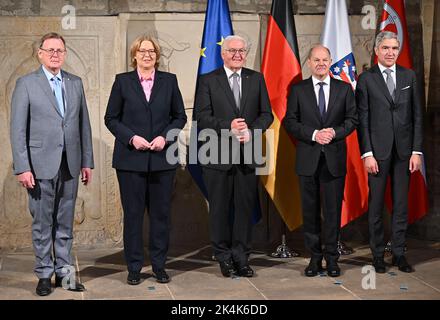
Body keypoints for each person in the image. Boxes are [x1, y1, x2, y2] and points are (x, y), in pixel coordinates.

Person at [10, 32, 94, 296]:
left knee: (65, 223)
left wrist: (87, 162)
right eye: (50, 50)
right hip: (38, 166)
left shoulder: (75, 83)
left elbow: (83, 125)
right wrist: (23, 166)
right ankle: (44, 274)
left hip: (70, 163)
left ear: (65, 54)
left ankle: (65, 274)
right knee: (43, 223)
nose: (55, 54)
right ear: (41, 54)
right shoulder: (26, 84)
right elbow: (17, 130)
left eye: (60, 50)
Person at [104, 35, 187, 285]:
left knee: (161, 216)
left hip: (162, 159)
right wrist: (131, 138)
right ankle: (134, 267)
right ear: (135, 55)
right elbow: (111, 118)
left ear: (157, 56)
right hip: (131, 161)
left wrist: (165, 137)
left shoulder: (169, 82)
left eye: (151, 51)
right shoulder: (122, 82)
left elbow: (179, 117)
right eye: (142, 51)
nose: (147, 55)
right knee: (133, 215)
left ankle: (159, 266)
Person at [194, 35, 273, 278]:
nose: (237, 55)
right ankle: (223, 257)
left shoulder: (256, 79)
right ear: (223, 53)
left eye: (241, 51)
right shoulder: (209, 80)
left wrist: (251, 130)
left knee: (243, 208)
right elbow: (201, 116)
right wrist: (228, 126)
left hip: (247, 154)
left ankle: (241, 257)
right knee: (219, 209)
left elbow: (266, 114)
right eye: (232, 51)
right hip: (217, 154)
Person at [283, 44, 357, 277]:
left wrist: (333, 132)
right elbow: (290, 122)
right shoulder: (298, 90)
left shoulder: (344, 89)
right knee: (310, 212)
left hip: (334, 160)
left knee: (333, 213)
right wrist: (315, 134)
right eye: (316, 60)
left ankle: (332, 259)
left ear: (331, 61)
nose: (321, 64)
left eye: (325, 60)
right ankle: (314, 259)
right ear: (309, 62)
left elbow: (352, 119)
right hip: (308, 160)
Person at [356, 31, 423, 273]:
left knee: (401, 205)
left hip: (405, 153)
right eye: (385, 48)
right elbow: (362, 119)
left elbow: (417, 116)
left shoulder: (409, 76)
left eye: (394, 48)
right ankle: (376, 255)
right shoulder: (366, 79)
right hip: (378, 153)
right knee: (375, 206)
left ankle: (398, 253)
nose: (390, 52)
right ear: (376, 50)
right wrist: (367, 153)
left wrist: (416, 151)